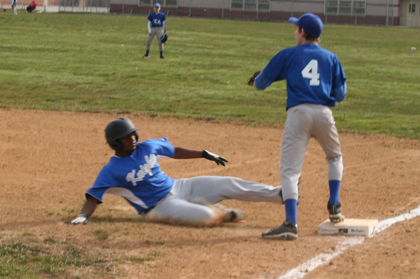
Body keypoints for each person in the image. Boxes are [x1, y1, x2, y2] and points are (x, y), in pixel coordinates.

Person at [66, 118, 284, 227]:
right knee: (208, 216)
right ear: (115, 143)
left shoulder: (147, 147)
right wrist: (83, 216)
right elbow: (94, 196)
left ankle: (279, 194)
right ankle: (222, 213)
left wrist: (203, 153)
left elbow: (174, 151)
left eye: (132, 134)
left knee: (228, 184)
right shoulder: (111, 170)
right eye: (126, 137)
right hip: (160, 206)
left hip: (180, 186)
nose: (131, 138)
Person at [250, 13, 347, 240]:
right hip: (324, 114)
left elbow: (261, 84)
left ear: (303, 32)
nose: (294, 32)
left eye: (296, 29)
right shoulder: (331, 58)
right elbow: (340, 95)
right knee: (334, 157)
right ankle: (334, 205)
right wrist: (327, 97)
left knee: (290, 170)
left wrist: (259, 79)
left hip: (298, 114)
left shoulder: (288, 54)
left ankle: (291, 223)